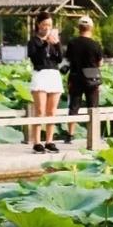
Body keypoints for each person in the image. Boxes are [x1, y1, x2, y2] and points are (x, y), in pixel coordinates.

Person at [28, 13, 64, 154]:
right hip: (41, 74)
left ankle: (49, 141)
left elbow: (60, 59)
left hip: (54, 74)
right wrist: (45, 43)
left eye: (49, 25)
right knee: (40, 111)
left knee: (51, 111)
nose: (47, 27)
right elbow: (37, 58)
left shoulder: (53, 41)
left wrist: (57, 44)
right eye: (44, 25)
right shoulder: (34, 41)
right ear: (38, 25)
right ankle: (37, 141)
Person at [65, 16, 104, 143]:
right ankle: (93, 135)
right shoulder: (95, 44)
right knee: (93, 107)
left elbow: (67, 60)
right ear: (91, 28)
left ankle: (70, 135)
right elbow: (100, 63)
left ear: (78, 28)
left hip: (75, 77)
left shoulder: (72, 43)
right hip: (92, 77)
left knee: (74, 107)